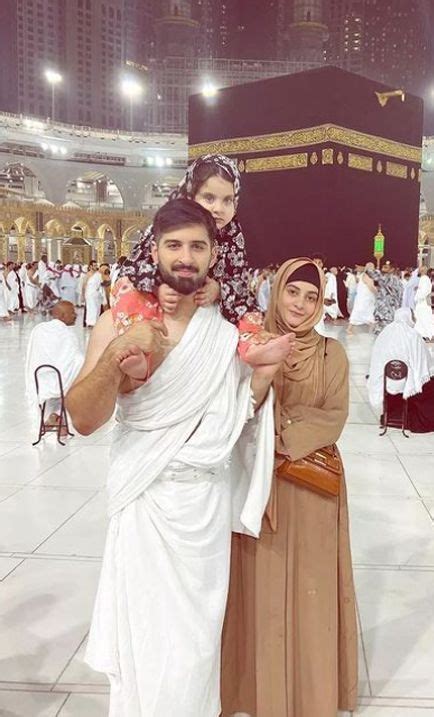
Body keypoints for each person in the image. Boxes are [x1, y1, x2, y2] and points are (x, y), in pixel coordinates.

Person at [65, 199, 294, 717]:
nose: (185, 257)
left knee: (195, 646)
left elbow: (235, 417)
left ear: (214, 253)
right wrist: (116, 357)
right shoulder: (121, 320)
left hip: (205, 507)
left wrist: (259, 381)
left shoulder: (230, 331)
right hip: (147, 501)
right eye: (174, 245)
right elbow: (81, 418)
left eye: (197, 246)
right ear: (155, 250)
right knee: (146, 638)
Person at [221, 257, 358, 717]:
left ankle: (311, 693)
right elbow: (237, 405)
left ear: (321, 304)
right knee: (259, 587)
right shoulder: (252, 345)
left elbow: (333, 416)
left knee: (312, 589)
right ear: (276, 291)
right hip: (259, 487)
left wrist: (278, 440)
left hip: (310, 488)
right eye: (292, 292)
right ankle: (255, 691)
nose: (300, 304)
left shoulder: (330, 354)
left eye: (311, 296)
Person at [119, 153, 256, 323]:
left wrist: (219, 289)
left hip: (209, 318)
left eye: (228, 200)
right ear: (191, 195)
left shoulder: (232, 233)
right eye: (209, 198)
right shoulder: (169, 225)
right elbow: (131, 271)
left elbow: (240, 283)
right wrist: (157, 286)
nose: (219, 208)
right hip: (163, 312)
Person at [368, 307, 434, 432]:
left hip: (386, 381)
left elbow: (376, 359)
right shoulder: (413, 335)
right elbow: (424, 362)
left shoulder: (385, 333)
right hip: (408, 383)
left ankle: (392, 415)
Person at [25, 301, 83, 432]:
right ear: (62, 316)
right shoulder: (66, 333)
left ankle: (57, 418)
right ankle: (56, 415)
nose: (75, 316)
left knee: (61, 382)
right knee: (82, 378)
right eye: (72, 313)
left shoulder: (38, 329)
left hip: (39, 380)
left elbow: (31, 356)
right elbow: (76, 360)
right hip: (59, 381)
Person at [372, 261, 404, 335]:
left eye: (386, 267)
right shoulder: (387, 279)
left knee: (385, 332)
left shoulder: (392, 279)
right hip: (383, 310)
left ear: (392, 269)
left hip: (388, 310)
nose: (383, 268)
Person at [347, 261, 376, 334]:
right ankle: (350, 329)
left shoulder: (364, 275)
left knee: (369, 314)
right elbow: (371, 287)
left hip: (364, 298)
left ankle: (370, 331)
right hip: (365, 299)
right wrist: (378, 293)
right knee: (366, 313)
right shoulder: (366, 276)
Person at [414, 266, 434, 341]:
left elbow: (424, 291)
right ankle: (423, 335)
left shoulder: (424, 278)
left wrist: (417, 298)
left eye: (419, 270)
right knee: (420, 319)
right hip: (421, 303)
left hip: (423, 303)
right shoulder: (424, 279)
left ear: (422, 271)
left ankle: (429, 335)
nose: (418, 271)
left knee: (425, 319)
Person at [84, 262, 107, 327]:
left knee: (97, 308)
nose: (96, 267)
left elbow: (101, 283)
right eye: (94, 265)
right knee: (91, 308)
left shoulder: (98, 274)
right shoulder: (88, 274)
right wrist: (83, 295)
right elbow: (84, 285)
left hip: (97, 294)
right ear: (90, 266)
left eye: (96, 265)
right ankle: (90, 323)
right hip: (90, 294)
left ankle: (96, 322)